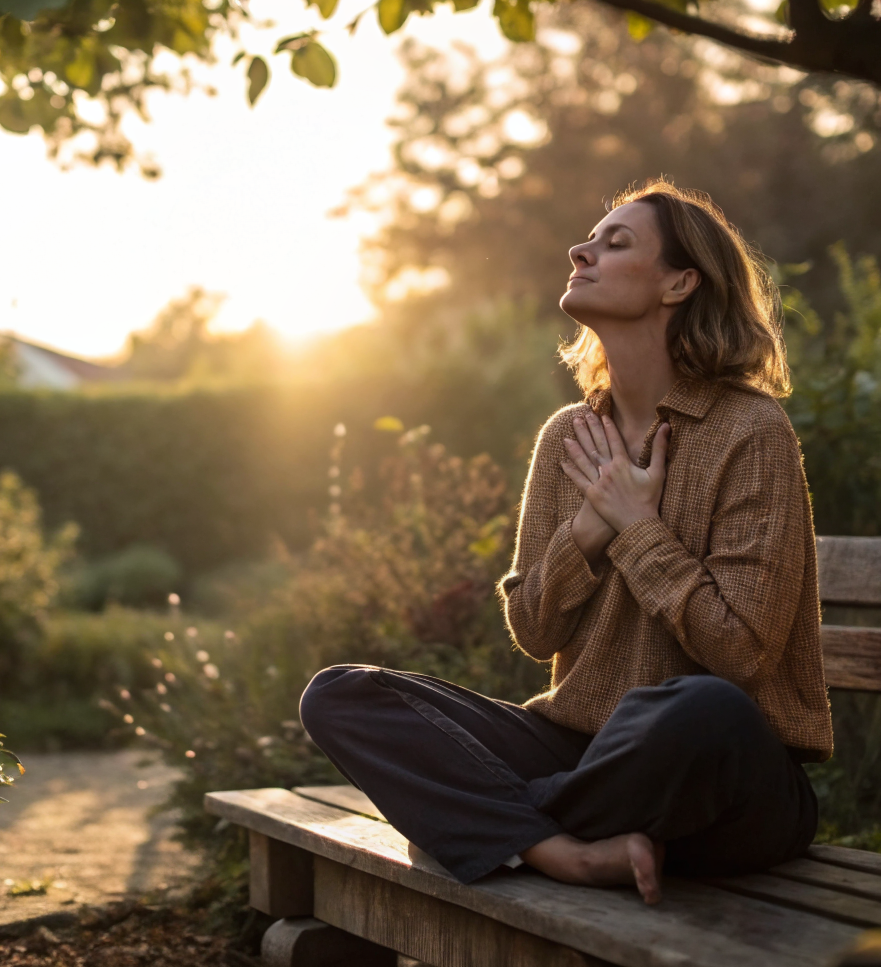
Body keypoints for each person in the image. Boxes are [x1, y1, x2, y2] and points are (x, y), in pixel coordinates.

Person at [298, 180, 832, 905]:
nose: (582, 250)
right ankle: (568, 853)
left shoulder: (749, 431)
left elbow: (742, 652)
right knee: (341, 696)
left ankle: (487, 818)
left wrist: (639, 530)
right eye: (591, 237)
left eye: (617, 243)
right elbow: (533, 628)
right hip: (581, 747)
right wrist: (587, 530)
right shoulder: (567, 439)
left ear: (680, 282)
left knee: (701, 706)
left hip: (723, 780)